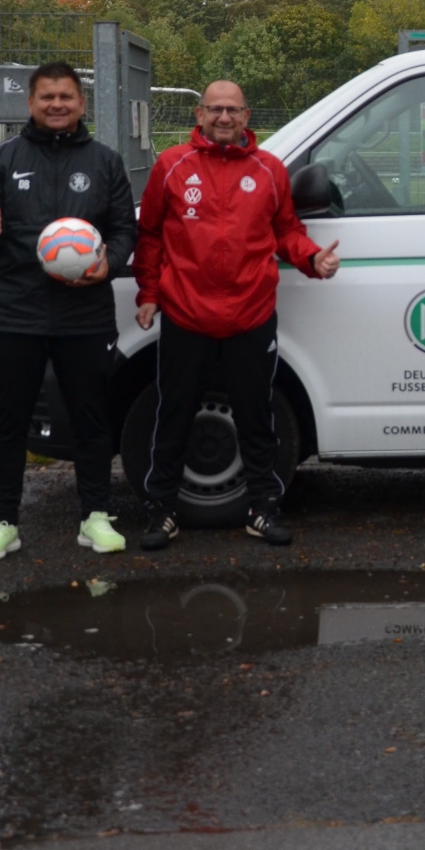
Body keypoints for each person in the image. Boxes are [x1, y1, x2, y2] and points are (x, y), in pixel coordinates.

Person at [132, 81, 341, 550]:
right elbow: (150, 236)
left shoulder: (269, 170)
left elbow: (286, 232)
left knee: (257, 416)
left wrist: (312, 258)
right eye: (215, 109)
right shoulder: (172, 165)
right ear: (200, 114)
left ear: (247, 116)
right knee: (174, 414)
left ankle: (263, 508)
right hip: (186, 313)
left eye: (232, 110)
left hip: (251, 313)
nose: (224, 117)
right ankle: (162, 510)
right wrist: (148, 292)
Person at [0, 62, 137, 562]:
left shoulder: (105, 162)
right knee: (8, 423)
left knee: (92, 420)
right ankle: (2, 523)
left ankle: (95, 516)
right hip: (14, 313)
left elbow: (125, 230)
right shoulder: (1, 159)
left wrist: (109, 264)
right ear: (31, 103)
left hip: (85, 315)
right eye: (47, 97)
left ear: (81, 103)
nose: (56, 105)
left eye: (66, 97)